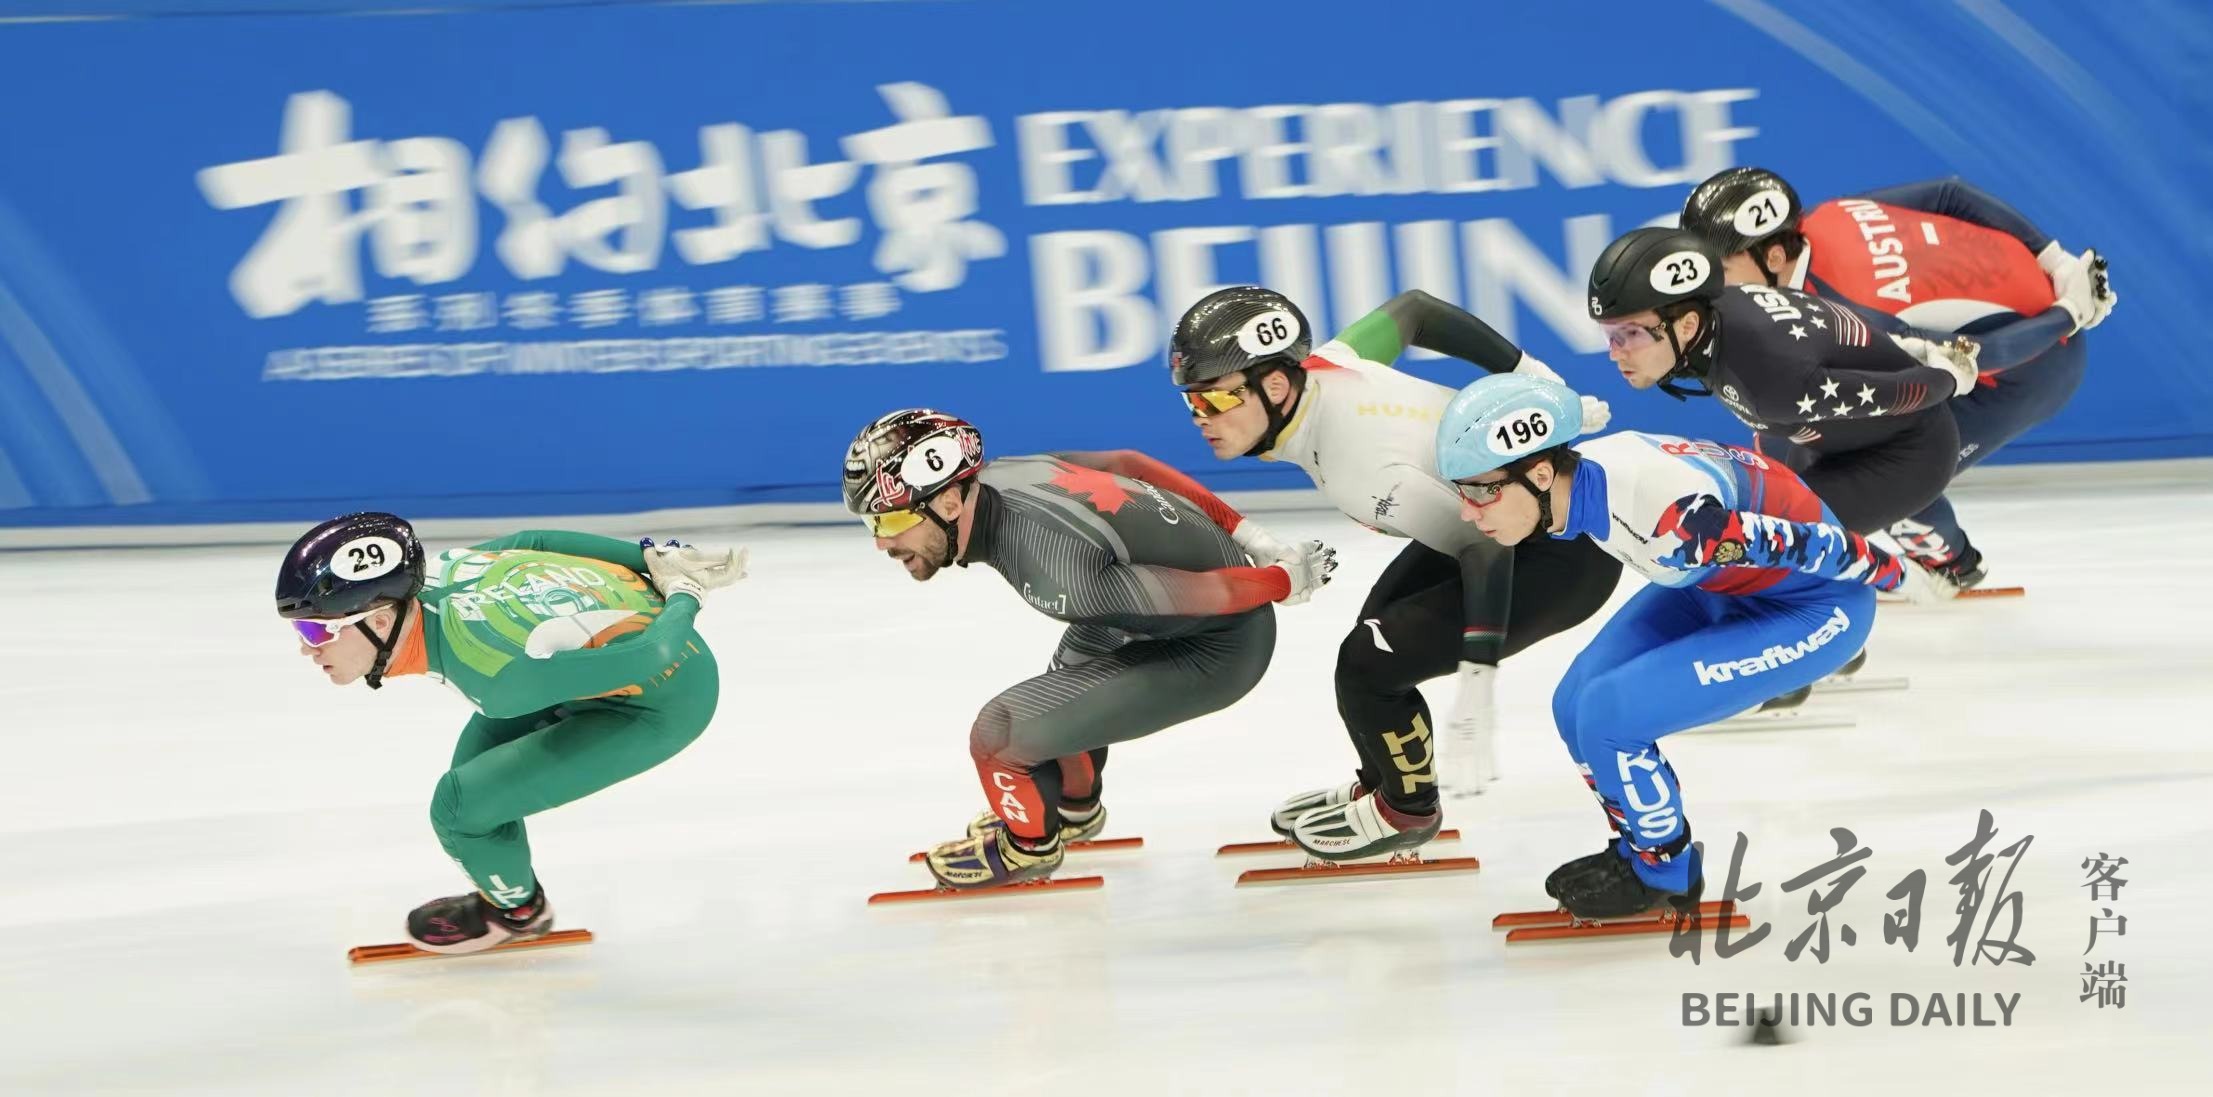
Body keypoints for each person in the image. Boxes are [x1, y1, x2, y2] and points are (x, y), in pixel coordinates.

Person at [1433, 374, 1953, 920]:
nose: (1469, 511)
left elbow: (1813, 544)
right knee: (1573, 703)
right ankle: (1637, 848)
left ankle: (1666, 873)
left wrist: (1896, 574)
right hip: (1719, 588)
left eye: (1479, 490)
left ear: (1540, 473)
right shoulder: (1584, 477)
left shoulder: (1671, 519)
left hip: (1814, 610)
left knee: (1611, 714)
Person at [1167, 285, 1624, 861]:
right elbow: (1415, 312)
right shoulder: (1331, 365)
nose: (1200, 419)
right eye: (1192, 404)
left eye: (1214, 402)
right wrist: (1530, 374)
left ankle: (1406, 811)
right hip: (1494, 516)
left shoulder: (1359, 465)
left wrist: (1477, 680)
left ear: (1276, 386)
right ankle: (1388, 780)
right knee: (1375, 633)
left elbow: (1485, 552)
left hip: (1556, 554)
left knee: (1367, 663)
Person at [844, 409, 1333, 890]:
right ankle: (1073, 809)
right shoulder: (1008, 472)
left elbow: (1207, 594)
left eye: (890, 524)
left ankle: (1027, 847)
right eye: (872, 526)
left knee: (997, 735)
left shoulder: (1057, 573)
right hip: (1166, 612)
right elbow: (1127, 464)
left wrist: (1281, 580)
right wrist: (1252, 537)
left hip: (1219, 647)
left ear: (950, 503)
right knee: (1067, 682)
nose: (882, 544)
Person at [275, 513, 742, 953]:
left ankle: (520, 914)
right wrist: (652, 560)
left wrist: (685, 592)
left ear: (380, 621)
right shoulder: (445, 571)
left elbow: (655, 654)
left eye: (317, 632)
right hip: (585, 659)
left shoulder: (497, 677)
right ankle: (505, 888)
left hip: (664, 698)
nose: (306, 648)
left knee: (461, 810)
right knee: (470, 793)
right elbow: (532, 543)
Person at [1680, 167, 2117, 585]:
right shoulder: (1826, 216)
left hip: (2032, 363)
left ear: (1774, 256)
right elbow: (1949, 193)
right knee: (1787, 436)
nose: (1710, 287)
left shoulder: (1854, 311)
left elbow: (1972, 356)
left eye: (1721, 269)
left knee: (1889, 464)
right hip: (2025, 301)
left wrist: (2070, 314)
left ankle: (1954, 564)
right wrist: (2054, 258)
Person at [1588, 226, 1983, 538]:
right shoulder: (1721, 306)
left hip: (1910, 454)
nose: (1615, 352)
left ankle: (1842, 634)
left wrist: (1947, 376)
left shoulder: (1767, 384)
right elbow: (1827, 336)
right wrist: (1898, 348)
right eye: (1609, 336)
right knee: (1757, 528)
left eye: (1630, 334)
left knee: (1776, 546)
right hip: (1829, 436)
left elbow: (1900, 395)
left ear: (1688, 325)